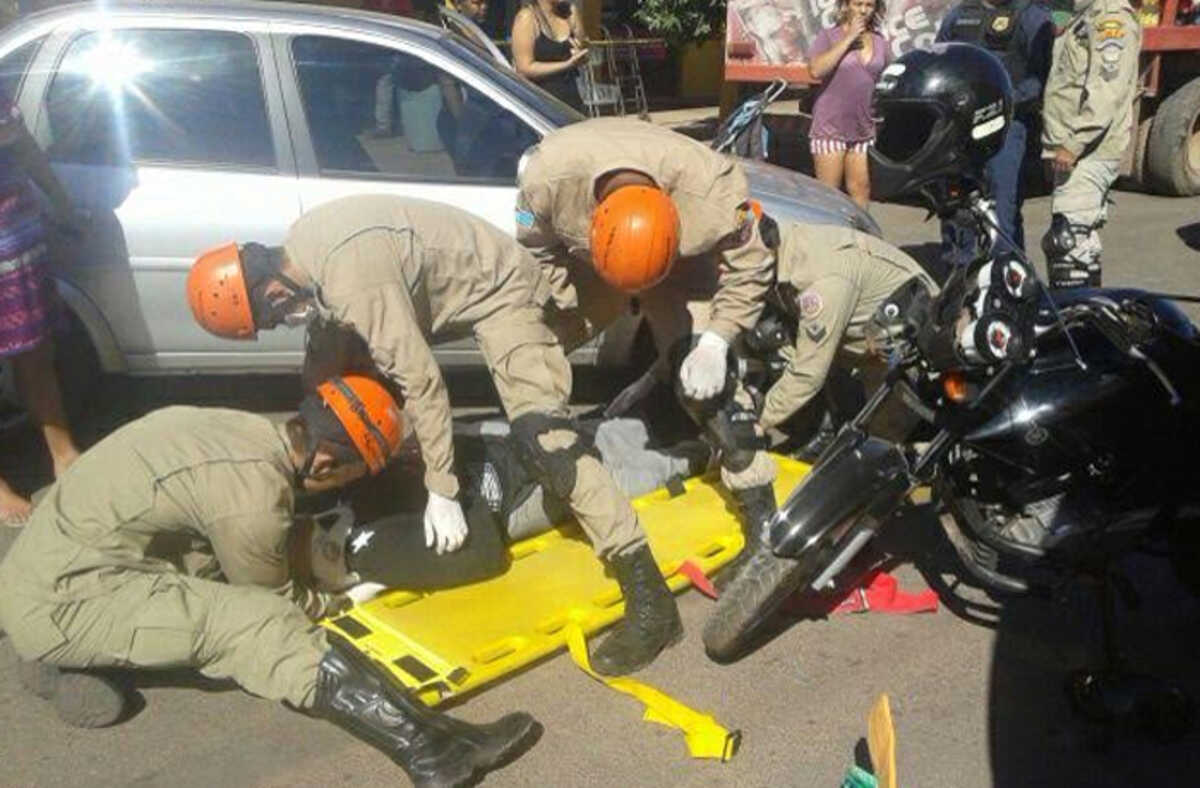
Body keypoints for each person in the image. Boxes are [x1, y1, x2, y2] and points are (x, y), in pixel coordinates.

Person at [187, 195, 681, 676]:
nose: (282, 325)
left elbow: (422, 382)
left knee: (546, 440)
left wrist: (442, 490)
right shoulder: (304, 251)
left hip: (501, 291)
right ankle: (343, 485)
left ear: (274, 292)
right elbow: (335, 364)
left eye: (274, 319)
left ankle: (648, 595)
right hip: (427, 293)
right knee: (326, 384)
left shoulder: (352, 281)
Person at [0, 374, 540, 787]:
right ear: (326, 461)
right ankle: (433, 753)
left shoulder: (247, 431)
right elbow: (274, 595)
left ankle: (55, 661)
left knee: (242, 562)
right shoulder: (253, 497)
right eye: (358, 471)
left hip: (74, 552)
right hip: (66, 594)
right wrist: (335, 601)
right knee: (259, 625)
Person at [514, 116, 780, 563]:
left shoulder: (713, 193)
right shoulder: (546, 180)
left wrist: (717, 341)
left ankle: (764, 526)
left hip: (681, 268)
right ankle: (530, 455)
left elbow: (751, 267)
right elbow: (535, 250)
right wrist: (558, 308)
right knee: (528, 346)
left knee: (716, 393)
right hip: (589, 265)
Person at [0, 86, 83, 524]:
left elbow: (24, 144)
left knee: (36, 352)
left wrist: (62, 202)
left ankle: (63, 451)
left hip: (16, 240)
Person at [936, 0, 1053, 261]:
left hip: (1008, 126)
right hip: (961, 128)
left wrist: (1003, 100)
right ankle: (959, 277)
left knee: (1002, 210)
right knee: (957, 204)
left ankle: (1006, 276)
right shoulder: (960, 14)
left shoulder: (1031, 16)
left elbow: (1041, 78)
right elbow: (939, 57)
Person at [1040, 0, 1140, 289]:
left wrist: (1073, 143)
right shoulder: (1084, 16)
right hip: (1078, 149)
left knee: (1070, 249)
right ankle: (1086, 325)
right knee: (1079, 247)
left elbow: (1106, 92)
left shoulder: (1111, 17)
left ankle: (1079, 329)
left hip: (1089, 151)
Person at [806, 0, 890, 211]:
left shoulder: (879, 41)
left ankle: (859, 239)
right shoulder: (829, 36)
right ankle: (829, 240)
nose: (863, 10)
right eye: (857, 4)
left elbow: (888, 76)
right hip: (830, 127)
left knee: (861, 190)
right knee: (829, 195)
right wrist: (849, 37)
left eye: (869, 5)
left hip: (863, 128)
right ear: (845, 5)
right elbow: (816, 70)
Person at [511, 0, 589, 112]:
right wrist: (567, 64)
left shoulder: (569, 13)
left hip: (572, 100)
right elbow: (524, 68)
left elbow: (583, 51)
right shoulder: (527, 18)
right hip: (541, 103)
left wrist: (582, 52)